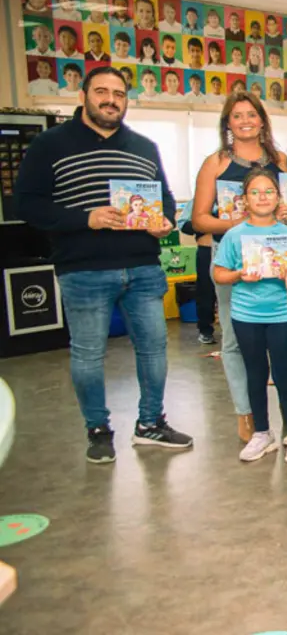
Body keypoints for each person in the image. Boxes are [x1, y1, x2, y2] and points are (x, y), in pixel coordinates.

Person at [14, 65, 193, 463]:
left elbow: (163, 197)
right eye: (102, 92)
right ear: (83, 96)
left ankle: (151, 423)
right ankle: (97, 429)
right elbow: (26, 204)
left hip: (143, 267)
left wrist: (164, 221)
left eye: (119, 94)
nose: (111, 100)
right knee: (88, 355)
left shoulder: (144, 146)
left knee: (154, 349)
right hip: (83, 269)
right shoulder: (49, 144)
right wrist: (86, 218)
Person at [191, 93, 287, 442]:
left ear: (262, 120)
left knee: (284, 337)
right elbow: (199, 219)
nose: (245, 121)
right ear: (228, 123)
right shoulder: (216, 163)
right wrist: (240, 224)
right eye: (237, 115)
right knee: (234, 340)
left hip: (279, 261)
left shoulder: (280, 160)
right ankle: (245, 413)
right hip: (233, 259)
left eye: (251, 114)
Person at [212, 167, 287, 463]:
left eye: (269, 191)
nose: (262, 197)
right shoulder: (234, 235)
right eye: (255, 192)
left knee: (285, 376)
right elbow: (219, 273)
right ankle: (262, 433)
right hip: (246, 316)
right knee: (255, 374)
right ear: (244, 199)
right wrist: (239, 274)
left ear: (278, 197)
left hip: (282, 315)